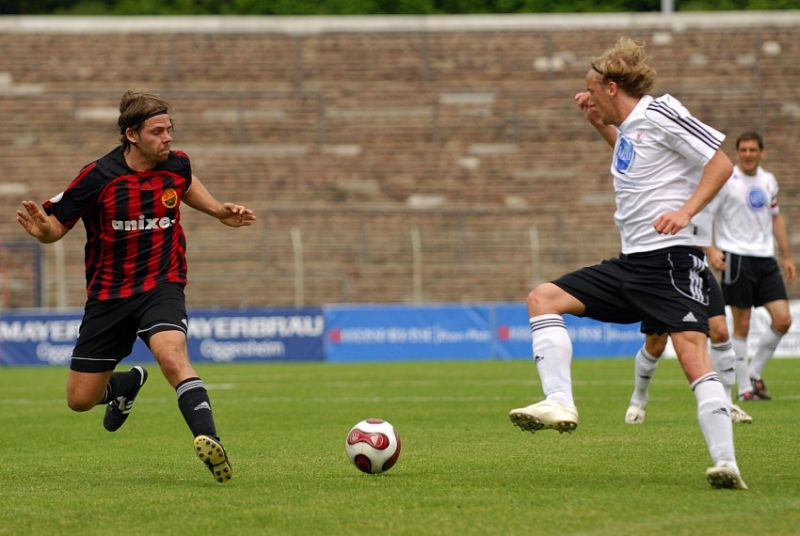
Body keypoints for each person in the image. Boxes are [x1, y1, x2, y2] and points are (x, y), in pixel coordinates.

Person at [508, 37, 747, 489]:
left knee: (692, 358)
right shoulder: (632, 128)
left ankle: (726, 465)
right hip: (630, 264)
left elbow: (720, 164)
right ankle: (559, 401)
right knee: (543, 298)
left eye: (591, 89)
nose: (585, 95)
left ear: (612, 87)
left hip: (671, 263)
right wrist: (598, 124)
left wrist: (686, 213)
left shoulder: (660, 113)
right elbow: (635, 159)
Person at [16, 90, 256, 484]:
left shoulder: (176, 164)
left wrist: (217, 210)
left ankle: (210, 442)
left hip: (162, 284)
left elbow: (185, 183)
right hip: (109, 296)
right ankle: (127, 383)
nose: (168, 138)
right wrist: (44, 232)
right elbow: (55, 226)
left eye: (169, 129)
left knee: (172, 356)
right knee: (80, 400)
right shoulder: (98, 177)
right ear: (131, 135)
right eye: (157, 132)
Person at [706, 131, 795, 402]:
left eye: (752, 150)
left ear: (761, 152)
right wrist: (711, 249)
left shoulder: (768, 181)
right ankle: (745, 389)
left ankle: (754, 373)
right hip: (736, 257)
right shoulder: (726, 180)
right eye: (743, 150)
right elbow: (706, 214)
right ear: (737, 153)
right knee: (742, 325)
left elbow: (775, 218)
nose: (747, 154)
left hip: (765, 258)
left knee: (783, 319)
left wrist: (787, 256)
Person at [624, 267, 753, 425]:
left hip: (696, 270)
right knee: (656, 344)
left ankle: (725, 404)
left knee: (720, 331)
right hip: (661, 273)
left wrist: (711, 253)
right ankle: (639, 399)